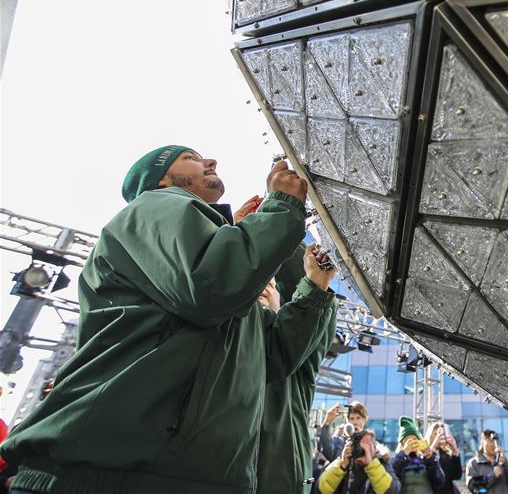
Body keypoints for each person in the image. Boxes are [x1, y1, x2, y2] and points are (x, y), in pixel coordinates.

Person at [0, 146, 334, 494]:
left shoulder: (222, 295)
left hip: (180, 476)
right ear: (161, 178)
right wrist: (279, 208)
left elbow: (276, 359)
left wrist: (315, 287)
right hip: (109, 475)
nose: (210, 161)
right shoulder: (155, 206)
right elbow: (213, 284)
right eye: (190, 157)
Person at [245, 190, 339, 494]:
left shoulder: (297, 360)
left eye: (270, 284)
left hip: (276, 482)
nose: (265, 287)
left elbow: (309, 309)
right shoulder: (224, 343)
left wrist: (275, 228)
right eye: (256, 284)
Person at [318, 428, 399, 494]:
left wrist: (371, 465)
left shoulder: (383, 462)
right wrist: (342, 466)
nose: (364, 450)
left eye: (367, 446)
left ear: (375, 448)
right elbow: (320, 489)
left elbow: (392, 491)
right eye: (359, 447)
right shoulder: (344, 462)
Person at [392, 417, 445, 494]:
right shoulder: (397, 460)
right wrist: (403, 454)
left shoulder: (425, 460)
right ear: (402, 443)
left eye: (414, 439)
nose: (412, 443)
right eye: (408, 440)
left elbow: (440, 481)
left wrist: (431, 459)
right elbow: (392, 480)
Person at [466, 430, 508, 494]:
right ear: (482, 442)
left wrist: (505, 463)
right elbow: (472, 486)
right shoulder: (474, 463)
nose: (494, 444)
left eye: (496, 442)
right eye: (491, 441)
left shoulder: (502, 462)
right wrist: (493, 476)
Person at [425, 421, 463, 494]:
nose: (438, 437)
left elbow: (457, 475)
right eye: (435, 434)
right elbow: (429, 475)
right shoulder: (424, 454)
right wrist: (432, 448)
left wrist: (455, 450)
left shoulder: (446, 456)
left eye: (441, 434)